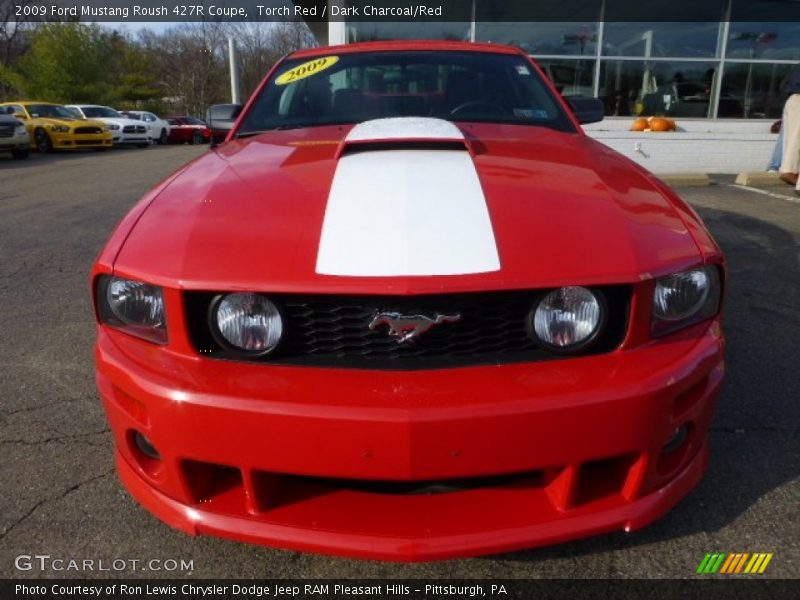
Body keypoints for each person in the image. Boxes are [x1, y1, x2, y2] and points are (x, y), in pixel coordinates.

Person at [778, 66, 800, 188]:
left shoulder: (797, 67)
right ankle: (789, 170)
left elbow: (783, 85)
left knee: (791, 138)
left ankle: (788, 169)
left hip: (792, 100)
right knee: (796, 140)